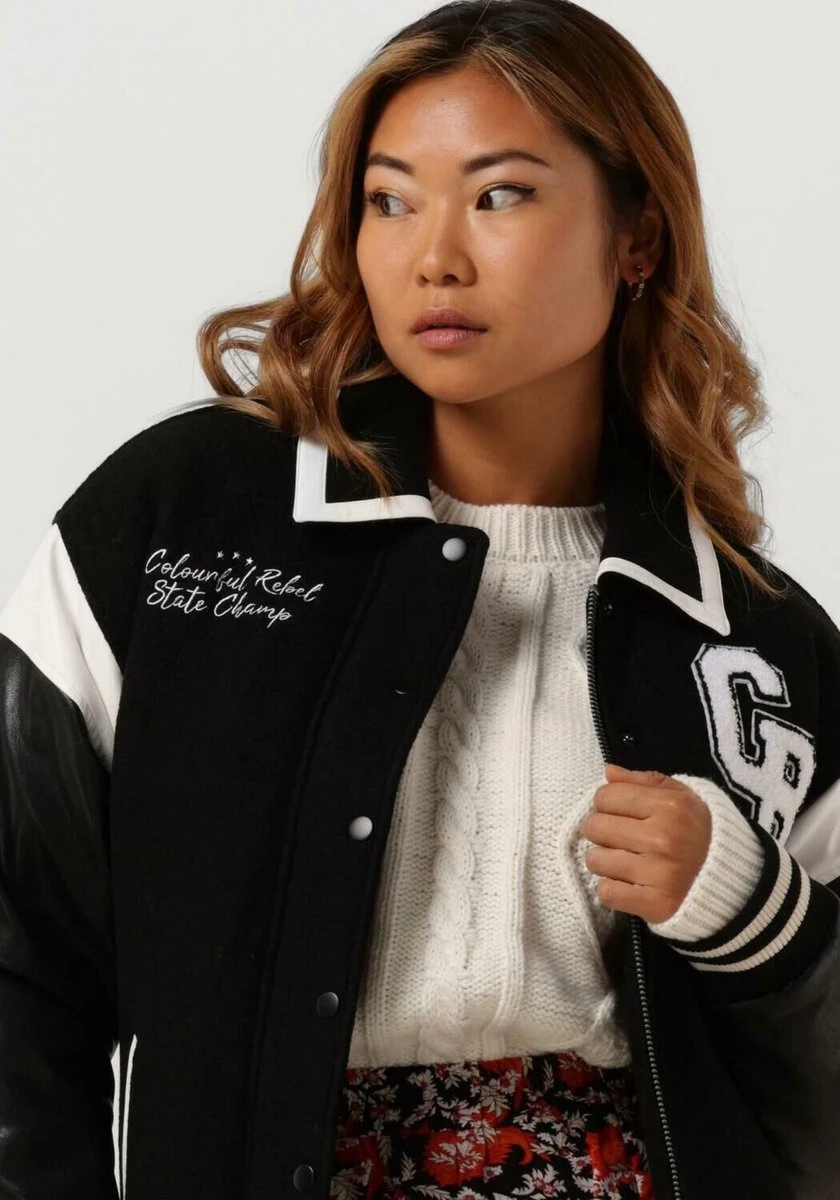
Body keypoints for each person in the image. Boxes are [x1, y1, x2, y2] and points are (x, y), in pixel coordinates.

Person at [1, 2, 838, 1198]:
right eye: (389, 201)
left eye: (499, 195)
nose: (434, 255)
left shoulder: (747, 633)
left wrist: (749, 904)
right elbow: (19, 936)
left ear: (638, 235)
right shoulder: (180, 519)